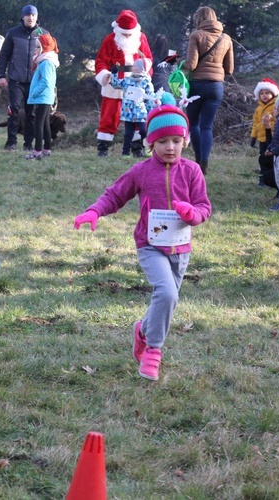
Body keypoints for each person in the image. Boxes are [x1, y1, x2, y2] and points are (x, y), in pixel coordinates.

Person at [73, 95, 211, 381]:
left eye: (175, 140)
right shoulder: (142, 171)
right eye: (162, 142)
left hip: (180, 249)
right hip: (150, 246)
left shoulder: (193, 171)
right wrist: (94, 211)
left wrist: (192, 214)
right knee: (167, 293)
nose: (169, 147)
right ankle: (153, 351)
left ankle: (142, 330)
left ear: (185, 140)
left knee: (168, 300)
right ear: (150, 143)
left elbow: (203, 207)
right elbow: (115, 194)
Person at [94, 10, 153, 158]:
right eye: (124, 34)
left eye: (129, 34)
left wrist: (144, 70)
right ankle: (103, 148)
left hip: (135, 86)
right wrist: (105, 75)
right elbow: (101, 61)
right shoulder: (110, 40)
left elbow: (148, 59)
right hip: (114, 84)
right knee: (109, 115)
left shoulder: (141, 38)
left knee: (137, 117)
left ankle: (136, 148)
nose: (127, 36)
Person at [184, 6, 234, 174]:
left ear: (199, 19)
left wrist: (177, 62)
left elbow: (191, 64)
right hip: (216, 87)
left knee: (194, 124)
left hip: (197, 84)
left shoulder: (196, 35)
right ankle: (205, 160)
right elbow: (230, 69)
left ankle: (198, 159)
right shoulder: (226, 38)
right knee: (207, 126)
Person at [0, 5, 47, 151]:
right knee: (14, 110)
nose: (30, 18)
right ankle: (11, 142)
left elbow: (50, 56)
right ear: (23, 17)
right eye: (28, 15)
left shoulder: (43, 34)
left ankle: (28, 143)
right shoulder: (13, 33)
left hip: (35, 81)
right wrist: (1, 75)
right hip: (16, 79)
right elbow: (4, 55)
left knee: (31, 113)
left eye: (33, 15)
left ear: (36, 17)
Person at [110, 58, 154, 158]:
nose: (132, 67)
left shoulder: (146, 82)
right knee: (128, 133)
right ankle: (125, 153)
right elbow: (116, 84)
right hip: (128, 113)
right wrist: (114, 73)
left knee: (144, 131)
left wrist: (150, 111)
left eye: (135, 66)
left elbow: (150, 97)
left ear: (141, 69)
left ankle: (148, 149)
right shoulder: (127, 80)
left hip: (141, 113)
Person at [26, 33, 59, 160]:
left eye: (38, 47)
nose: (35, 50)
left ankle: (37, 152)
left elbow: (46, 81)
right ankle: (47, 149)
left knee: (38, 124)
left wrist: (34, 93)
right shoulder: (44, 61)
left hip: (42, 97)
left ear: (45, 48)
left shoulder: (46, 62)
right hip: (44, 97)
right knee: (44, 124)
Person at [249, 78, 279, 186]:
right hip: (262, 139)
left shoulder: (276, 106)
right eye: (262, 93)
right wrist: (253, 137)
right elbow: (255, 123)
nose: (264, 95)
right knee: (263, 159)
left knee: (273, 159)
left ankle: (273, 179)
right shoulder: (258, 108)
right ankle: (262, 179)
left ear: (273, 93)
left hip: (272, 139)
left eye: (267, 93)